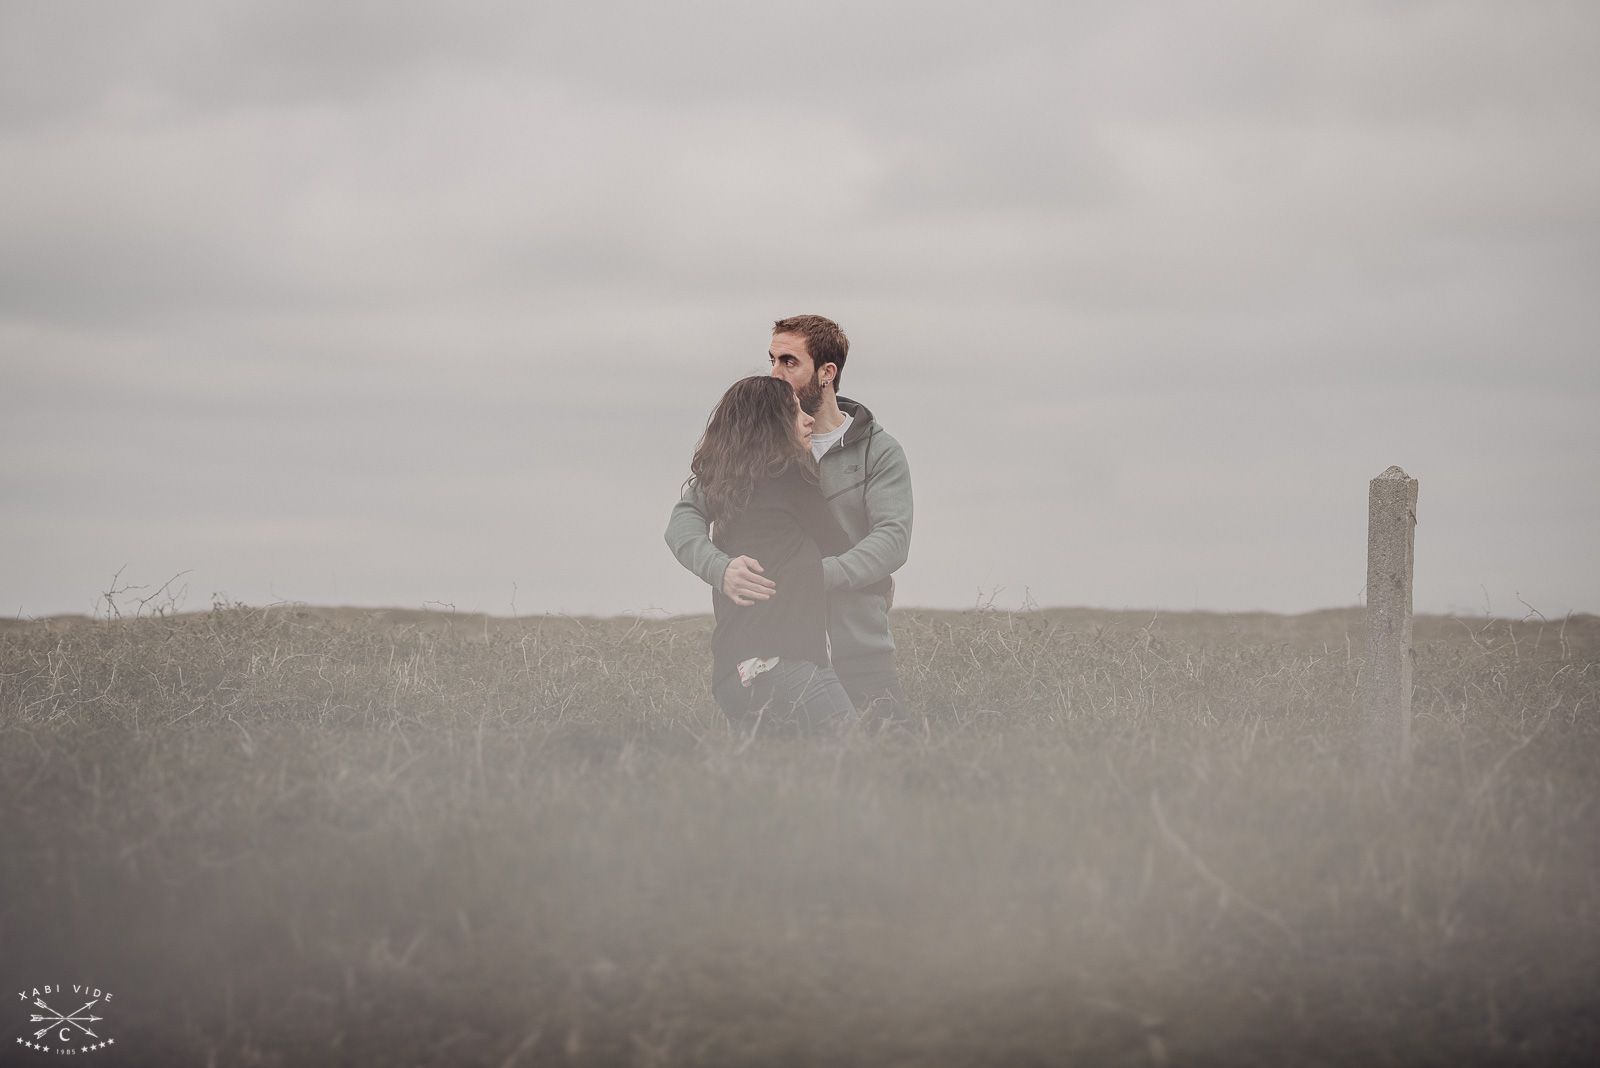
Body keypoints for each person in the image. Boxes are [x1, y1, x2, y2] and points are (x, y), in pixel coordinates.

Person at [666, 315, 913, 725]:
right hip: (777, 643)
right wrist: (720, 568)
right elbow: (685, 517)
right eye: (772, 360)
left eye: (788, 362)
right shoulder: (752, 445)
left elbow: (891, 540)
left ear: (826, 373)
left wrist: (812, 576)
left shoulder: (879, 451)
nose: (775, 373)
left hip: (860, 644)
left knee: (889, 762)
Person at [687, 375, 859, 736]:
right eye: (796, 412)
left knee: (768, 781)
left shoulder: (729, 491)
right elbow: (842, 548)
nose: (809, 419)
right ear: (773, 425)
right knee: (854, 759)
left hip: (731, 677)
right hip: (786, 661)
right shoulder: (791, 476)